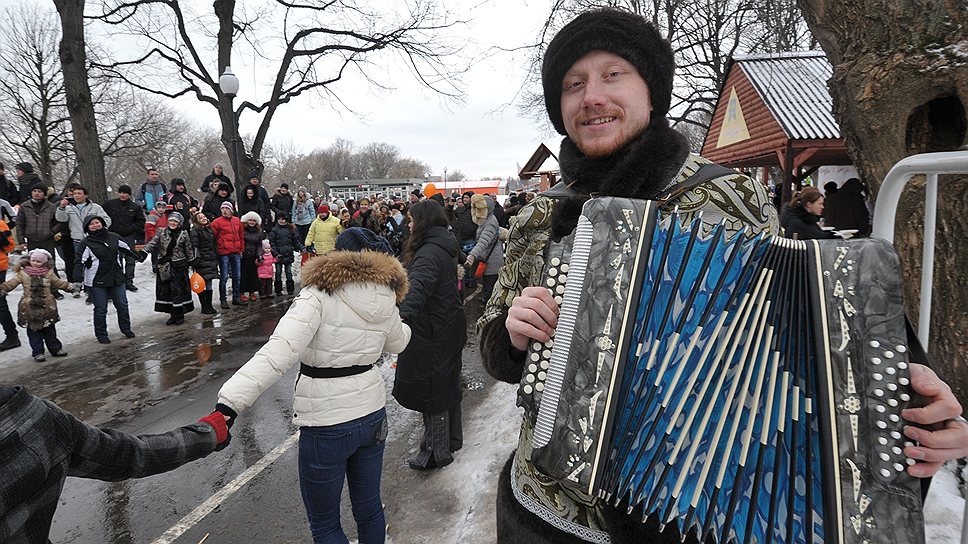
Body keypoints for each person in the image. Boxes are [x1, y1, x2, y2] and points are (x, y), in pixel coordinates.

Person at [478, 8, 968, 544]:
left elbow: (811, 297)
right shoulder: (540, 215)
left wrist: (908, 385)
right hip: (547, 511)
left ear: (651, 91)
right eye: (574, 84)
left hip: (696, 511)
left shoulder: (727, 197)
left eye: (613, 74)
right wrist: (511, 335)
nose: (592, 95)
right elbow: (493, 342)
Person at [213, 227, 411, 544]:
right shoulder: (386, 297)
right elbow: (399, 342)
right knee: (369, 508)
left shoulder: (318, 295)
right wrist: (404, 325)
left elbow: (278, 351)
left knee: (325, 524)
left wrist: (229, 404)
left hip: (326, 422)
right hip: (371, 414)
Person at [0, 384, 229, 544]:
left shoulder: (28, 416)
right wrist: (206, 434)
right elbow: (129, 455)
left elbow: (125, 454)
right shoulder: (32, 418)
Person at [393, 200, 466, 470]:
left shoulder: (428, 253)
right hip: (446, 324)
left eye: (412, 219)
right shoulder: (442, 244)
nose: (409, 224)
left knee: (432, 390)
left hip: (433, 329)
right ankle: (450, 441)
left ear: (422, 222)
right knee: (445, 386)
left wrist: (399, 319)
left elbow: (416, 290)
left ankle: (437, 453)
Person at [0, 249, 72, 361]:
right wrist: (3, 288)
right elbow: (12, 283)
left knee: (50, 330)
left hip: (47, 307)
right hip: (29, 308)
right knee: (34, 331)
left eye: (39, 261)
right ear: (29, 260)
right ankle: (38, 352)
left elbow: (59, 283)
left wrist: (70, 287)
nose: (35, 263)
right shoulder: (23, 273)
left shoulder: (49, 273)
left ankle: (55, 348)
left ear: (45, 262)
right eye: (33, 260)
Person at [74, 216, 136, 344]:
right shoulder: (86, 243)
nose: (95, 225)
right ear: (87, 228)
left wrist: (140, 257)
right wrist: (77, 280)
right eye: (91, 224)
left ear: (102, 224)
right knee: (101, 309)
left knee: (122, 305)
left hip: (116, 277)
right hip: (96, 280)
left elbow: (127, 249)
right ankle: (101, 335)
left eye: (97, 223)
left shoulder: (113, 237)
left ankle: (126, 329)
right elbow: (79, 261)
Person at [140, 211, 195, 325]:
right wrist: (144, 252)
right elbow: (152, 243)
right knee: (167, 291)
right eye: (171, 220)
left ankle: (180, 314)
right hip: (165, 266)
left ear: (179, 223)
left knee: (178, 291)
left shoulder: (183, 234)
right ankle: (172, 314)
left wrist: (192, 262)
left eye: (175, 221)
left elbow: (188, 249)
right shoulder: (161, 232)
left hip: (179, 266)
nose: (173, 223)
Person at [15, 182, 63, 300]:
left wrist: (51, 231)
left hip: (47, 239)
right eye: (35, 191)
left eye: (40, 191)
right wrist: (21, 240)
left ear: (45, 194)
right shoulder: (25, 206)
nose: (37, 193)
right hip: (32, 239)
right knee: (34, 265)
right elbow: (20, 224)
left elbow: (59, 222)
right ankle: (36, 289)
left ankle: (54, 290)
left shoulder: (51, 206)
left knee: (49, 265)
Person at [104, 184, 147, 292]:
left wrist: (133, 228)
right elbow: (102, 217)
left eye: (125, 193)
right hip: (113, 236)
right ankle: (118, 280)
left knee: (130, 259)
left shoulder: (135, 207)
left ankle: (129, 281)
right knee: (116, 259)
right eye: (121, 193)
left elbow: (141, 221)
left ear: (129, 194)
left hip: (129, 236)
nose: (123, 195)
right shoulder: (110, 204)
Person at [464, 194, 503, 302]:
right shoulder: (486, 219)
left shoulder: (489, 222)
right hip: (488, 258)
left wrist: (472, 255)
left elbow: (483, 241)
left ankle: (489, 308)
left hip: (492, 261)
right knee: (487, 285)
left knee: (489, 286)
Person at [212, 202, 244, 308]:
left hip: (236, 252)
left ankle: (236, 297)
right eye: (223, 208)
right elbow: (213, 238)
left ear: (231, 210)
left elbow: (241, 236)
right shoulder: (216, 222)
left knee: (237, 276)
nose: (225, 210)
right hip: (224, 252)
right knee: (224, 277)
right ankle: (223, 300)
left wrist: (241, 249)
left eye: (227, 208)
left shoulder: (237, 221)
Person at [189, 211, 220, 315]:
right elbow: (194, 246)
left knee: (209, 283)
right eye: (200, 217)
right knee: (201, 283)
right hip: (201, 259)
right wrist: (196, 259)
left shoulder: (209, 230)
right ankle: (204, 306)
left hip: (210, 259)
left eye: (204, 216)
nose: (204, 218)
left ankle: (209, 305)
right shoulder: (195, 231)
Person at [267, 213, 302, 295]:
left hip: (288, 254)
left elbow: (295, 241)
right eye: (279, 219)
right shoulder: (274, 230)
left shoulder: (290, 229)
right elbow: (272, 244)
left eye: (283, 219)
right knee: (278, 273)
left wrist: (301, 248)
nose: (281, 221)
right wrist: (275, 254)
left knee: (288, 272)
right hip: (278, 255)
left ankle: (290, 289)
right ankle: (278, 290)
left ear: (286, 220)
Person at [0, 216, 18, 351]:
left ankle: (12, 336)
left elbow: (10, 246)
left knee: (0, 303)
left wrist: (3, 241)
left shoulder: (1, 225)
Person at [239, 211, 264, 302]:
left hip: (253, 255)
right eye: (250, 220)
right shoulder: (242, 229)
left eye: (254, 221)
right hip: (243, 255)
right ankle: (241, 292)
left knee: (253, 275)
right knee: (243, 275)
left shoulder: (258, 231)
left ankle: (252, 292)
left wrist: (259, 255)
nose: (252, 222)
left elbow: (259, 245)